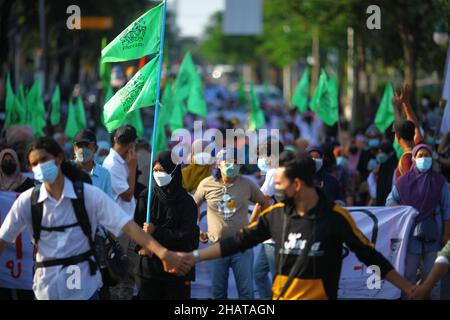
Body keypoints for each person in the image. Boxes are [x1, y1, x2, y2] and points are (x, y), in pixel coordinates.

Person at [175, 152, 416, 300]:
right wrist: (193, 257)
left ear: (297, 184)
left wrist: (408, 287)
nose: (275, 189)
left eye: (279, 183)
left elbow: (370, 254)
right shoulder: (276, 216)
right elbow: (237, 243)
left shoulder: (336, 217)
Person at [0, 138, 191, 300]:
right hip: (46, 291)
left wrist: (163, 253)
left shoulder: (89, 196)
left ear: (58, 158)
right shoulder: (28, 201)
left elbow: (129, 227)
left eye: (44, 159)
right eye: (34, 164)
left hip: (83, 291)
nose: (40, 166)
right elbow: (4, 238)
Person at [193, 147, 271, 299]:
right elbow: (193, 205)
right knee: (218, 293)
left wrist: (255, 226)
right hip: (216, 246)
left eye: (236, 162)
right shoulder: (206, 184)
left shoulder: (247, 184)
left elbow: (264, 202)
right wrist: (197, 229)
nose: (232, 165)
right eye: (228, 162)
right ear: (219, 164)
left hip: (241, 247)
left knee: (246, 293)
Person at [386, 143, 450, 299]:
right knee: (408, 276)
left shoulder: (440, 181)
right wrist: (406, 210)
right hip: (410, 235)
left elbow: (447, 210)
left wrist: (446, 235)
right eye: (420, 156)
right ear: (414, 158)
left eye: (427, 155)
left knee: (432, 277)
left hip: (434, 233)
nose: (424, 159)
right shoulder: (403, 182)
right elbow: (390, 201)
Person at [134, 151, 199, 300]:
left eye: (161, 170)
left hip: (177, 270)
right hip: (149, 271)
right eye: (155, 171)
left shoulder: (187, 203)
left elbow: (186, 235)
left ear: (174, 171)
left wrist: (156, 231)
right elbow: (136, 228)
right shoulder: (146, 197)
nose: (157, 174)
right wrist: (141, 247)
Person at [102, 125, 138, 300]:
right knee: (119, 276)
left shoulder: (120, 160)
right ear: (131, 145)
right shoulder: (112, 164)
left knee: (129, 274)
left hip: (126, 225)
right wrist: (132, 167)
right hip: (117, 229)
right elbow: (127, 195)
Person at [250, 140, 284, 299]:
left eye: (262, 156)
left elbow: (261, 200)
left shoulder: (274, 172)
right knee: (258, 273)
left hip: (275, 234)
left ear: (273, 156)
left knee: (277, 277)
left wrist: (250, 223)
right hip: (269, 235)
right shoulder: (279, 171)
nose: (260, 160)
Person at [73, 129, 112, 198]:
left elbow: (109, 203)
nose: (82, 150)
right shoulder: (66, 169)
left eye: (86, 145)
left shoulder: (104, 174)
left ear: (95, 148)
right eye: (80, 146)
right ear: (74, 148)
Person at [367, 141, 398, 206]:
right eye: (379, 152)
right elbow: (375, 193)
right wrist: (373, 174)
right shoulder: (381, 168)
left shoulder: (395, 169)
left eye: (382, 152)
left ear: (390, 153)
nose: (379, 155)